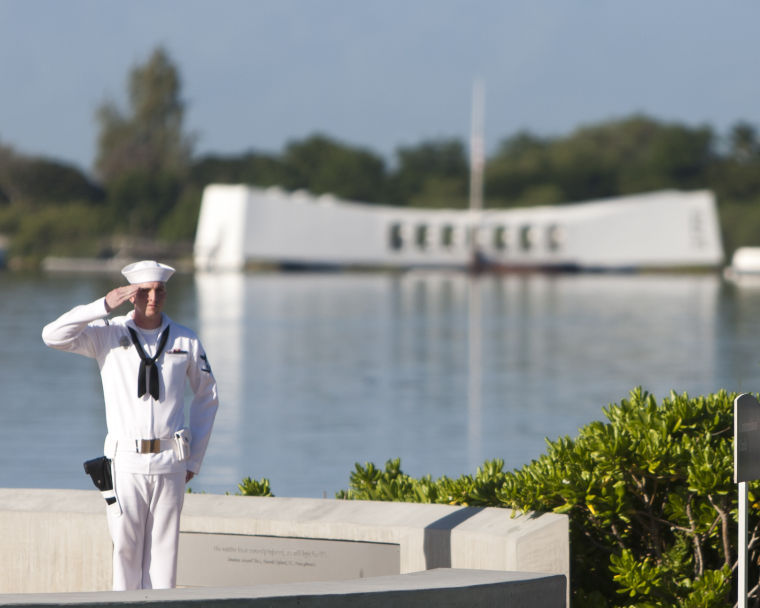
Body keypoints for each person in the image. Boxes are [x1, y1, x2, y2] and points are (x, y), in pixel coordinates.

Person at [41, 260, 219, 591]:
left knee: (164, 558)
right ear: (131, 295)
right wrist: (102, 307)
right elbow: (52, 336)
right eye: (145, 291)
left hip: (170, 462)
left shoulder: (185, 339)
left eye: (159, 290)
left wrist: (194, 459)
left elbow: (208, 396)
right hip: (126, 463)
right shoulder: (108, 335)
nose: (154, 297)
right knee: (125, 553)